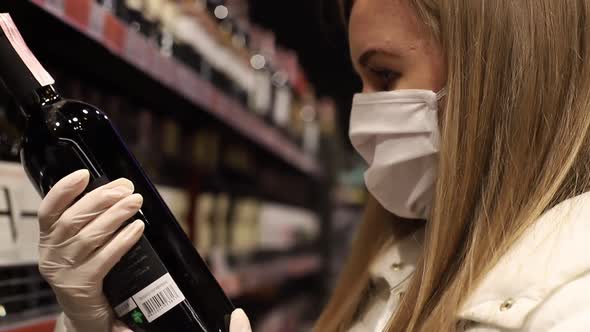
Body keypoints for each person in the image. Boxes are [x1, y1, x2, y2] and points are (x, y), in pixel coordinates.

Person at [41, 0, 590, 331]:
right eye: (361, 81)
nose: (363, 112)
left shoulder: (572, 304)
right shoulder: (400, 262)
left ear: (494, 75)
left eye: (384, 76)